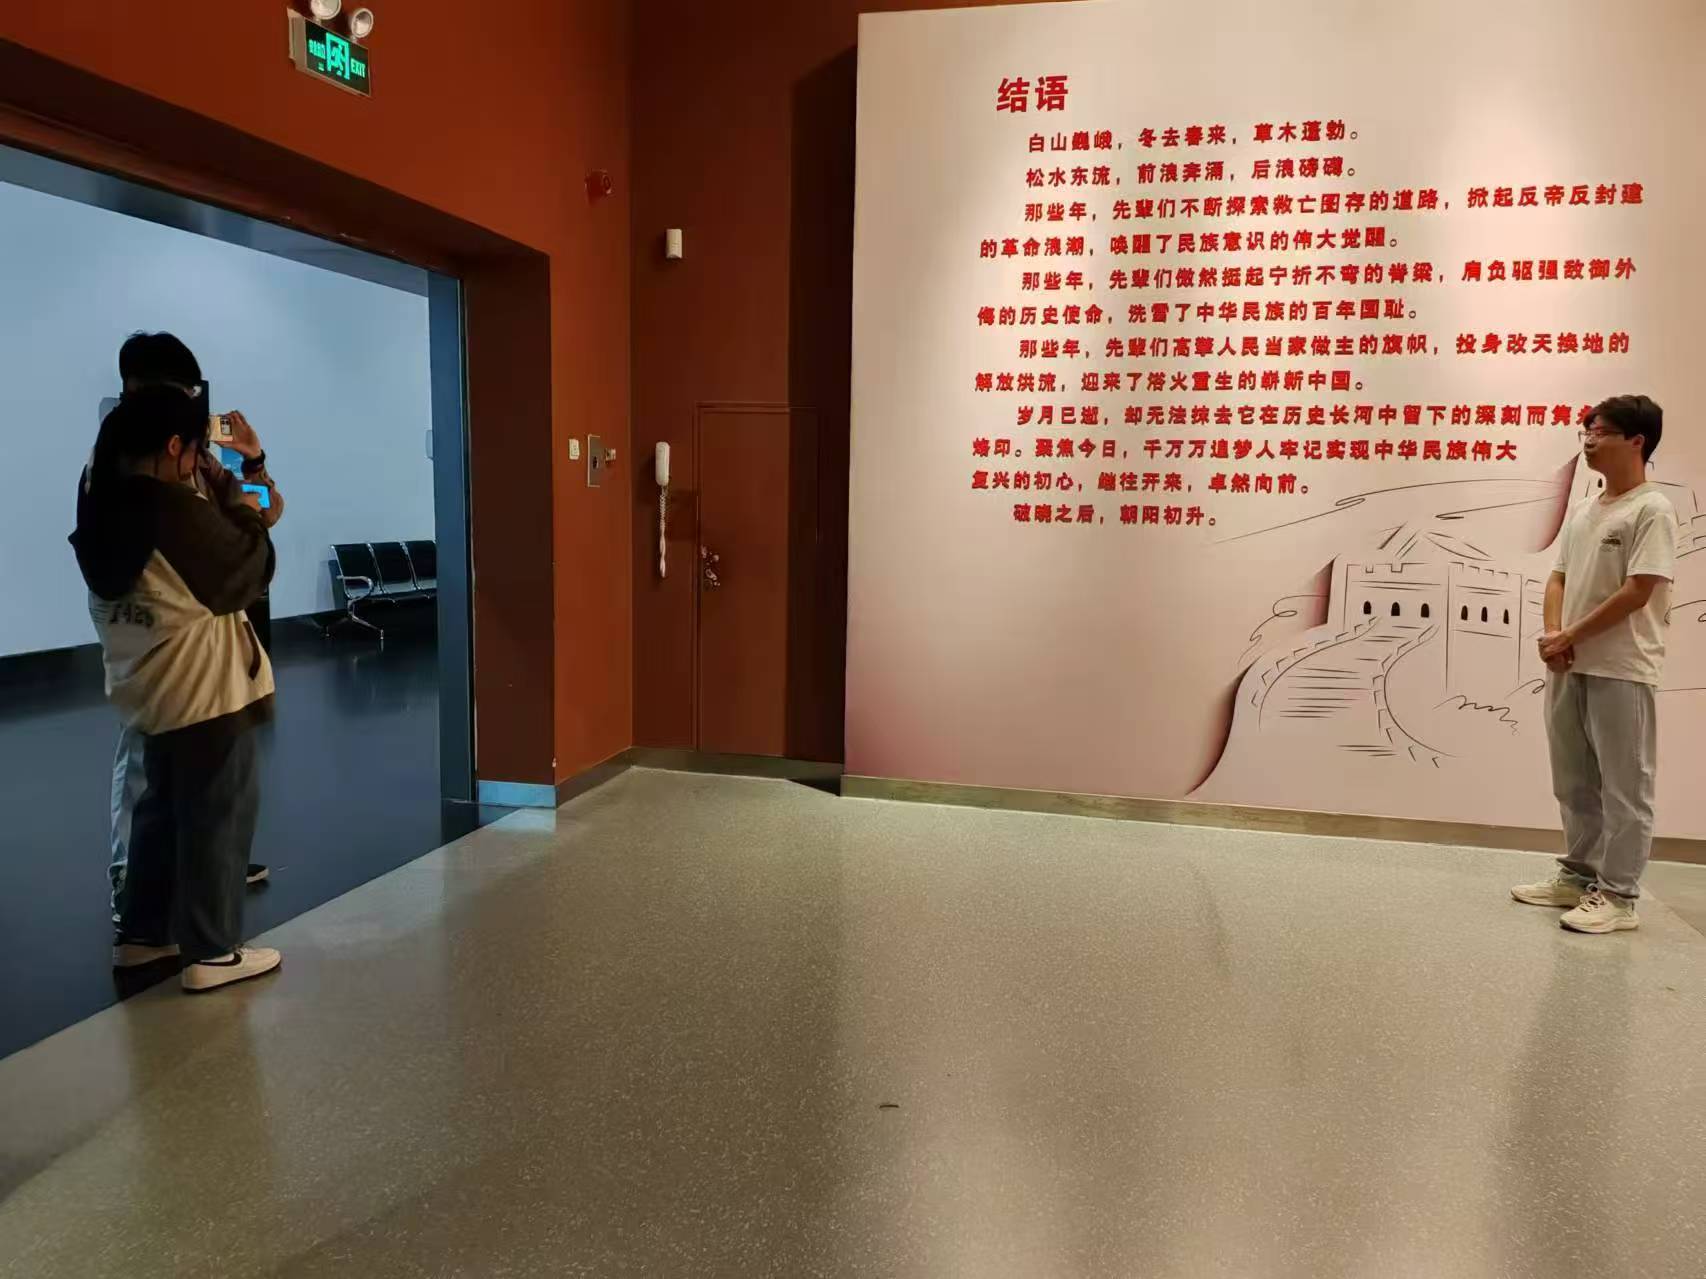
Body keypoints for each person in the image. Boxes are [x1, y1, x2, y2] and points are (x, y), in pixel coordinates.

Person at [71, 385, 287, 991]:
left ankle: (143, 936)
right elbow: (250, 565)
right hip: (204, 684)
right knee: (219, 814)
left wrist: (243, 471)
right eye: (195, 446)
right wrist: (239, 484)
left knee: (161, 810)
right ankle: (212, 951)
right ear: (173, 444)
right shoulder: (173, 506)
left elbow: (259, 513)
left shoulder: (101, 494)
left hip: (146, 681)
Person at [104, 334, 269, 934]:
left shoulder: (191, 461)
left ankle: (196, 874)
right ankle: (134, 882)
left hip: (203, 638)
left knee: (193, 778)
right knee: (149, 762)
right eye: (184, 390)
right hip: (155, 638)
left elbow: (260, 512)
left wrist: (251, 464)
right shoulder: (122, 467)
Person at [1512, 395, 1678, 933]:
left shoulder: (1652, 509)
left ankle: (1620, 896)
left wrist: (1571, 635)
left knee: (1625, 786)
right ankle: (1578, 875)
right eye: (1585, 431)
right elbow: (1558, 576)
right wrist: (1553, 636)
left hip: (1622, 667)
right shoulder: (1586, 510)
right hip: (1569, 664)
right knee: (1574, 780)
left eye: (1600, 431)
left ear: (1637, 441)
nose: (1588, 440)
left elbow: (1639, 590)